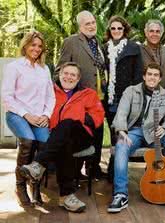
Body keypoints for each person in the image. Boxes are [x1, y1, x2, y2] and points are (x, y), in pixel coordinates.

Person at [19, 62, 105, 212]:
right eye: (66, 73)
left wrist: (77, 118)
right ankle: (66, 197)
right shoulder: (49, 92)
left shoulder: (88, 93)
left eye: (73, 75)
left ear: (78, 79)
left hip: (82, 136)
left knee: (67, 123)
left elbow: (98, 117)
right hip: (58, 138)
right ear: (59, 74)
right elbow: (36, 108)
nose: (68, 77)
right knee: (65, 143)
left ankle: (38, 164)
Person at [107, 62, 165, 213]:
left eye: (155, 75)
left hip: (156, 132)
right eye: (149, 74)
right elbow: (121, 112)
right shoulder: (131, 91)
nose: (152, 77)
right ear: (144, 76)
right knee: (121, 145)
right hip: (134, 131)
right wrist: (121, 131)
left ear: (160, 78)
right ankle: (120, 194)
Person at [1, 31, 55, 207]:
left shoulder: (44, 69)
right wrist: (26, 115)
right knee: (28, 141)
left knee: (45, 143)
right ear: (25, 46)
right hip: (17, 114)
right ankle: (20, 186)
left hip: (39, 117)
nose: (36, 49)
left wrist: (46, 115)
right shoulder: (14, 67)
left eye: (39, 46)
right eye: (33, 45)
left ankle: (35, 185)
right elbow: (7, 97)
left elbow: (50, 97)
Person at [55, 10, 106, 179]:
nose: (92, 26)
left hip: (100, 98)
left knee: (98, 134)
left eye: (93, 22)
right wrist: (71, 92)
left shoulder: (99, 42)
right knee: (81, 134)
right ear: (80, 26)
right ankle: (74, 171)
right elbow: (59, 71)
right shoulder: (71, 42)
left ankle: (93, 168)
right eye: (87, 24)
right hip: (79, 99)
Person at [103, 15, 143, 182]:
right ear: (109, 31)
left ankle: (117, 172)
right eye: (113, 28)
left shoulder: (134, 48)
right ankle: (113, 170)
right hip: (110, 98)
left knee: (123, 133)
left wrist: (133, 97)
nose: (116, 31)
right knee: (114, 134)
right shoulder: (104, 48)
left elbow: (138, 75)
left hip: (127, 98)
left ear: (124, 30)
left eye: (120, 28)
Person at [141, 19, 165, 94]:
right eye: (151, 31)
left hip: (164, 99)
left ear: (161, 34)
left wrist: (163, 94)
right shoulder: (137, 51)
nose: (154, 34)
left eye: (157, 31)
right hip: (142, 99)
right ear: (146, 33)